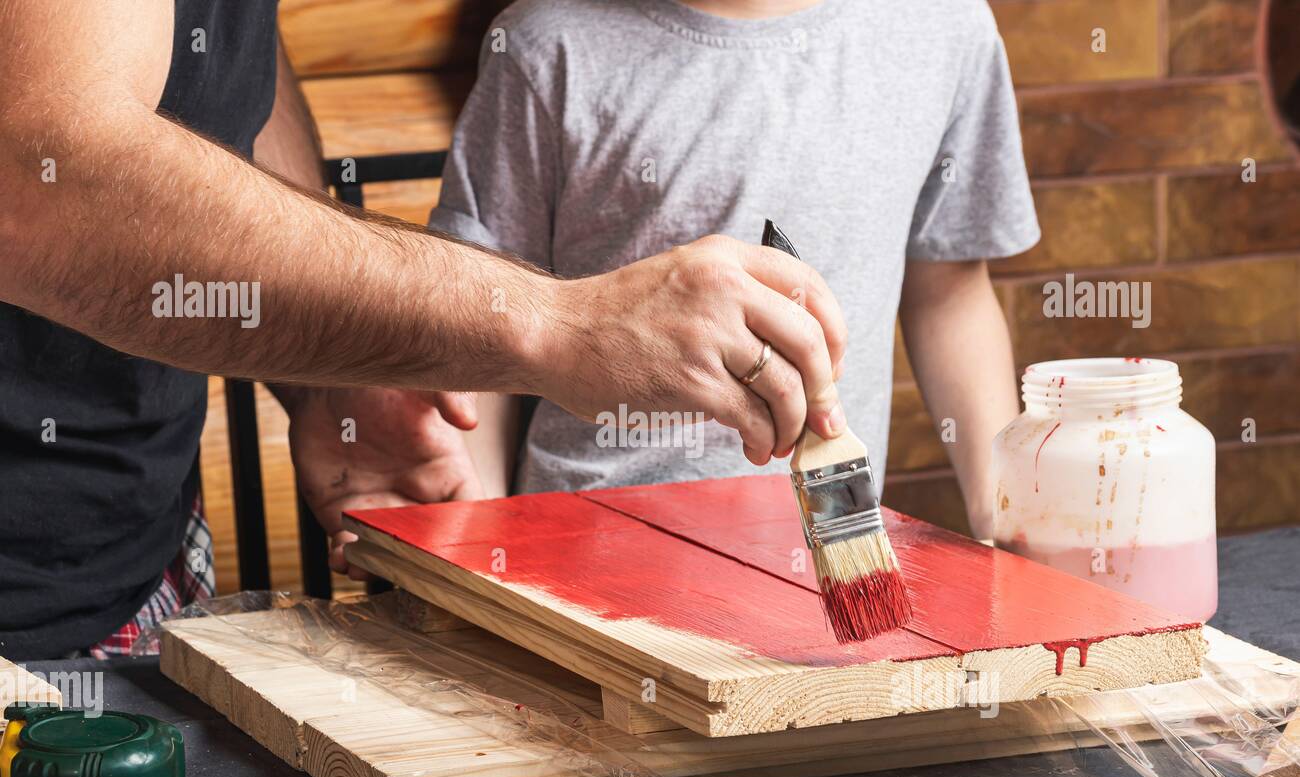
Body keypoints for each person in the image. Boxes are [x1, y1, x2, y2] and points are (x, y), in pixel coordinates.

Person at [0, 0, 847, 660]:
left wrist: (331, 365)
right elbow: (42, 183)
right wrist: (561, 323)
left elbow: (215, 53)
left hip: (130, 559)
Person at [429, 0, 1040, 535]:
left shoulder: (948, 26)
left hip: (824, 548)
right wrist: (471, 531)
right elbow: (488, 326)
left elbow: (949, 292)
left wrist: (1007, 507)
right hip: (586, 541)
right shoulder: (543, 43)